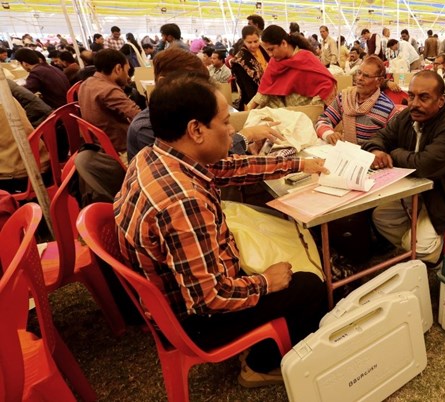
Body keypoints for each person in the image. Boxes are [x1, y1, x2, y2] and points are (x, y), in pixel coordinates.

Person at [114, 74, 329, 388]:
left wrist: (297, 165)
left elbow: (231, 167)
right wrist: (266, 282)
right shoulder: (184, 202)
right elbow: (210, 299)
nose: (233, 131)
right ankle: (260, 364)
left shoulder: (156, 155)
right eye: (226, 122)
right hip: (195, 321)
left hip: (175, 291)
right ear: (196, 130)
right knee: (308, 287)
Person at [362, 70, 445, 264]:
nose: (414, 103)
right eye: (412, 96)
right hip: (416, 187)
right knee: (381, 218)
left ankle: (431, 254)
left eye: (424, 97)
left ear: (441, 100)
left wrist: (393, 153)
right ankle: (415, 247)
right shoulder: (409, 115)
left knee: (420, 247)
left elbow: (424, 165)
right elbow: (380, 137)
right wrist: (376, 150)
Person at [127, 49, 211, 160]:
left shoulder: (181, 112)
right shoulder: (148, 128)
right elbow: (189, 165)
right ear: (163, 83)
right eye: (194, 85)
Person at [246, 25, 336, 109]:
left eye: (271, 49)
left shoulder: (306, 58)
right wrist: (248, 110)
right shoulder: (275, 62)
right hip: (283, 112)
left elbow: (327, 84)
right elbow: (265, 90)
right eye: (267, 51)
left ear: (284, 43)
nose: (270, 55)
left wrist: (312, 110)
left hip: (304, 112)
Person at [315, 56, 396, 144]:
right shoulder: (345, 97)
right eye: (359, 73)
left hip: (370, 155)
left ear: (379, 81)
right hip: (344, 153)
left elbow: (393, 142)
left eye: (366, 76)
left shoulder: (388, 109)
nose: (359, 78)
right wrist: (329, 134)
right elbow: (324, 119)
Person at [77, 49, 141, 157]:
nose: (128, 77)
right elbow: (139, 116)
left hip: (100, 146)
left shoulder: (86, 83)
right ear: (118, 68)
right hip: (122, 150)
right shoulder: (109, 90)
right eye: (127, 71)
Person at [231, 25, 268, 111]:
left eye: (256, 41)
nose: (253, 45)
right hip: (253, 97)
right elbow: (246, 88)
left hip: (270, 91)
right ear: (244, 41)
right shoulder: (239, 60)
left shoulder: (264, 49)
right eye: (249, 42)